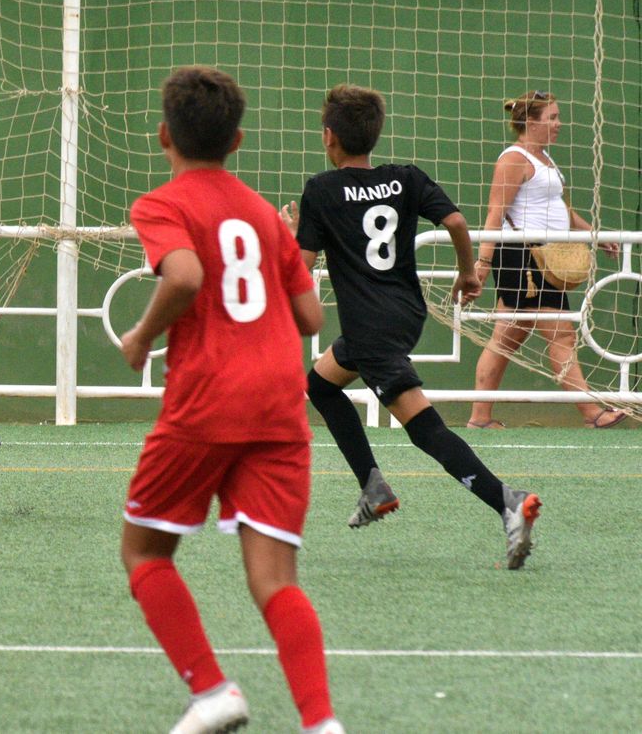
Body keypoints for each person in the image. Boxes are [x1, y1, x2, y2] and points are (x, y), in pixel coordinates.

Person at [119, 67, 342, 734]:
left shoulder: (161, 205)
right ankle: (321, 723)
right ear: (237, 140)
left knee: (145, 552)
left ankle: (213, 691)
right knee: (276, 580)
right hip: (279, 405)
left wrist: (142, 334)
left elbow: (185, 276)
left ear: (164, 135)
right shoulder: (264, 216)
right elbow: (310, 317)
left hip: (207, 400)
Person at [282, 84, 542, 570]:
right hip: (404, 314)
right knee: (320, 384)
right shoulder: (405, 178)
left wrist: (288, 237)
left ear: (328, 136)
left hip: (369, 327)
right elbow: (458, 223)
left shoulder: (321, 190)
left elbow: (301, 268)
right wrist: (468, 274)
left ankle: (507, 501)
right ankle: (373, 486)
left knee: (424, 429)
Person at [467, 90, 625, 429]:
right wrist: (483, 262)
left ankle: (479, 418)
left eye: (557, 117)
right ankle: (591, 413)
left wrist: (595, 235)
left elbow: (560, 210)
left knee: (505, 338)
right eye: (551, 117)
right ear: (530, 121)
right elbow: (496, 212)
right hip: (523, 257)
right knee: (561, 335)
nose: (558, 124)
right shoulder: (514, 158)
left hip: (543, 257)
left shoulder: (544, 159)